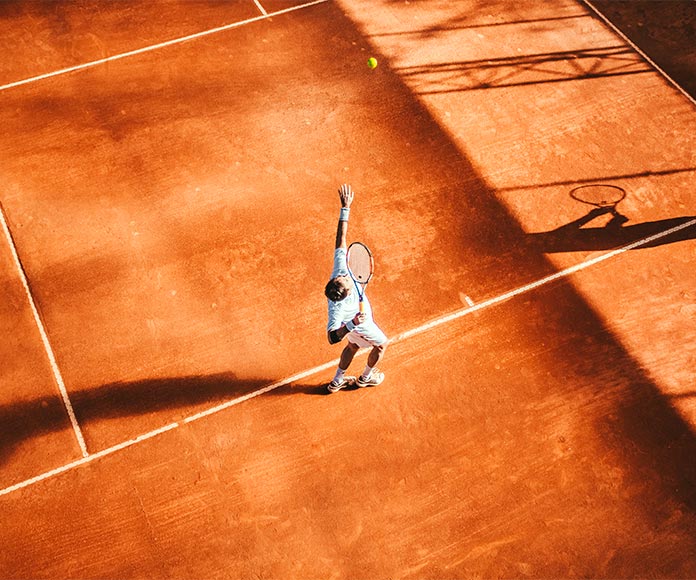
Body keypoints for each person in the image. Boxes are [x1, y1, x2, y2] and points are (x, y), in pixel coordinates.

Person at [324, 184, 388, 393]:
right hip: (360, 325)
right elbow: (332, 337)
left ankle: (337, 381)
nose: (347, 276)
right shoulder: (337, 309)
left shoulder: (339, 271)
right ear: (346, 294)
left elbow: (340, 239)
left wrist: (345, 208)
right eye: (347, 281)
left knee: (352, 346)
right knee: (381, 345)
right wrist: (352, 324)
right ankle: (365, 378)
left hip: (353, 326)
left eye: (343, 276)